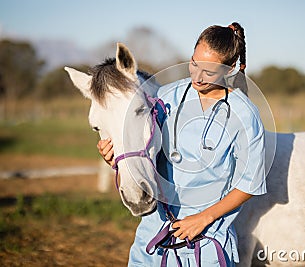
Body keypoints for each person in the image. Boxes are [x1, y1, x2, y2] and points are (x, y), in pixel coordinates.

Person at [98, 22, 266, 266]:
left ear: (230, 69)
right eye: (194, 63)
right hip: (154, 235)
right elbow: (143, 149)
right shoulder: (165, 97)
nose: (197, 76)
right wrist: (113, 156)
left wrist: (203, 218)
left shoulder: (245, 115)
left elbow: (250, 183)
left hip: (207, 240)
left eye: (209, 71)